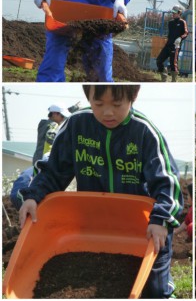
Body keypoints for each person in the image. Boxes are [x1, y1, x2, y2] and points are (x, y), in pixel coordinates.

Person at [17, 85, 183, 298]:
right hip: (92, 225)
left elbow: (167, 182)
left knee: (156, 290)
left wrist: (161, 219)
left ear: (133, 98)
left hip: (143, 226)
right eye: (98, 104)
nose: (107, 112)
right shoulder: (77, 125)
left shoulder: (143, 131)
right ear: (88, 98)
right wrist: (33, 196)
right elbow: (54, 171)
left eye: (116, 105)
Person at [156, 5, 189, 82]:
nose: (173, 14)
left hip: (176, 46)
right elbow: (170, 34)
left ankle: (174, 81)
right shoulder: (170, 23)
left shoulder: (182, 22)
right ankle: (164, 75)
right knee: (159, 60)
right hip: (168, 45)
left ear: (179, 13)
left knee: (173, 64)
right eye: (172, 12)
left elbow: (186, 33)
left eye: (174, 12)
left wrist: (180, 38)